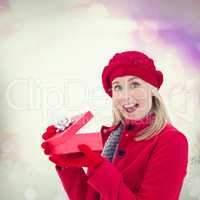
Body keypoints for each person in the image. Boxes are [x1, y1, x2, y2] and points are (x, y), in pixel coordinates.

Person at [41, 51, 188, 200]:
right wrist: (68, 162)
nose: (125, 96)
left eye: (134, 84)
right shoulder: (111, 138)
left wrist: (100, 168)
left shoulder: (172, 141)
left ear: (152, 90)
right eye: (117, 87)